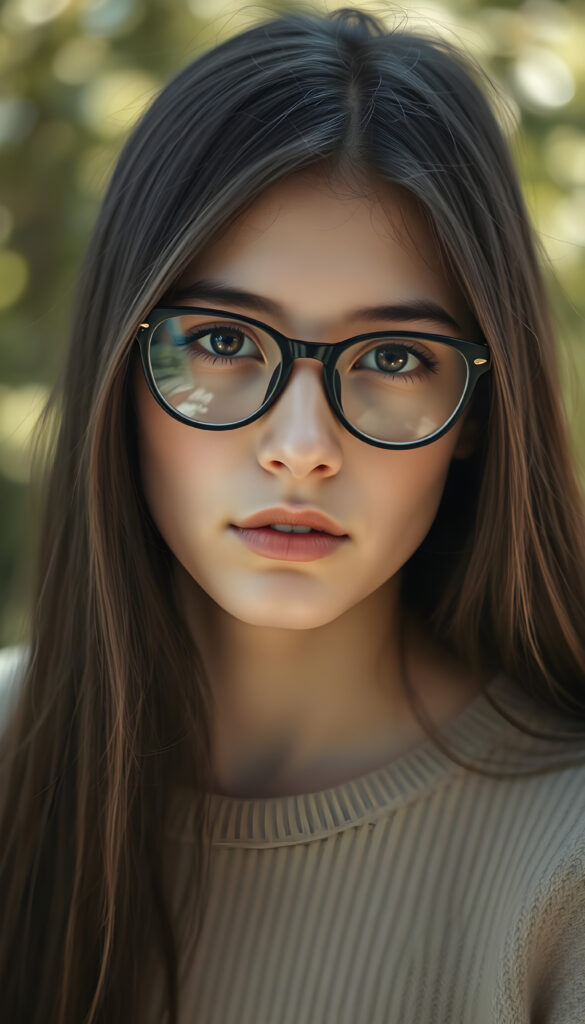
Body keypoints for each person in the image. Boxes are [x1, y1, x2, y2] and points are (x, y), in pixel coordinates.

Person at [1, 4, 585, 1022]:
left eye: (395, 357)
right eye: (226, 341)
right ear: (117, 368)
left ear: (478, 416)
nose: (303, 445)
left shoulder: (561, 862)